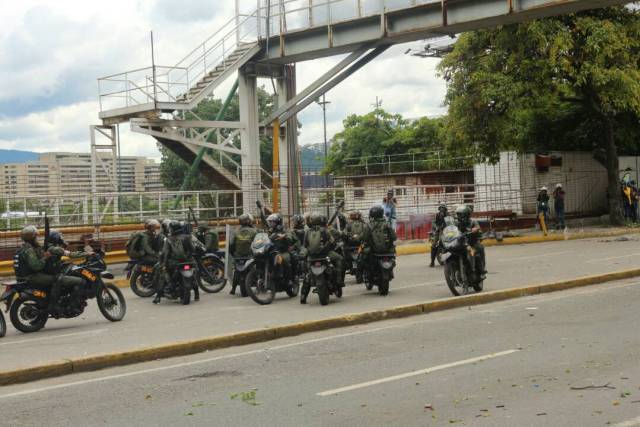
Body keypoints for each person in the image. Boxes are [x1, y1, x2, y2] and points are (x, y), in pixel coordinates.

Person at [13, 225, 83, 313]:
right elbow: (37, 266)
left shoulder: (22, 249)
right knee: (57, 279)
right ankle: (53, 305)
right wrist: (45, 258)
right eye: (36, 236)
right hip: (31, 277)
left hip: (22, 278)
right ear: (32, 237)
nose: (37, 238)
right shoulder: (29, 250)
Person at [301, 214, 345, 304]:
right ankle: (339, 280)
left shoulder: (307, 231)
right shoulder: (326, 230)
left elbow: (305, 245)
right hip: (325, 255)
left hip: (312, 257)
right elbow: (332, 243)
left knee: (307, 275)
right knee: (340, 258)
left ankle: (303, 296)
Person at [155, 221, 198, 304]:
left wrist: (164, 264)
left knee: (162, 273)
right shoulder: (187, 237)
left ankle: (158, 297)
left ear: (171, 229)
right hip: (188, 261)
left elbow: (166, 253)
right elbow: (193, 249)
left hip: (175, 263)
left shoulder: (169, 239)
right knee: (194, 274)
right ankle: (197, 294)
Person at [454, 205, 487, 280]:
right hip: (461, 243)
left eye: (460, 214)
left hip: (472, 243)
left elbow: (479, 230)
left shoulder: (473, 222)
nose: (458, 216)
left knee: (473, 253)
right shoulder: (456, 223)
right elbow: (452, 230)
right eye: (458, 214)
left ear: (466, 215)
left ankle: (481, 271)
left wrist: (476, 230)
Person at [228, 213, 257, 295]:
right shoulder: (254, 231)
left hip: (238, 256)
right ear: (249, 221)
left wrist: (233, 254)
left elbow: (231, 245)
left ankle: (233, 289)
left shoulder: (236, 231)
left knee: (237, 271)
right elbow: (258, 242)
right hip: (250, 256)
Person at [266, 213, 297, 286]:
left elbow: (290, 238)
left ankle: (289, 279)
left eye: (272, 222)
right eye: (270, 222)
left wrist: (285, 237)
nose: (270, 224)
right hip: (271, 252)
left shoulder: (284, 230)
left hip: (282, 251)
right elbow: (264, 238)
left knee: (284, 259)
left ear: (278, 222)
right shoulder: (270, 232)